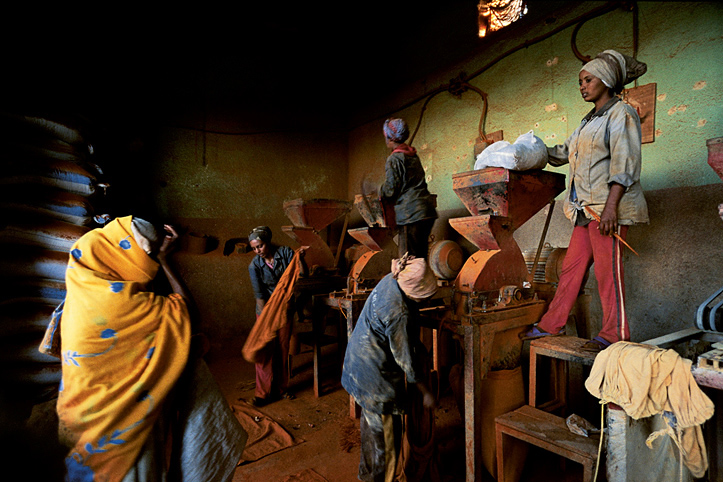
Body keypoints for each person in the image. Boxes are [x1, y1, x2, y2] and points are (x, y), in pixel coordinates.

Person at [47, 216, 246, 482]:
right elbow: (187, 315)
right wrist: (165, 261)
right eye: (147, 254)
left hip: (79, 422)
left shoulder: (78, 299)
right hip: (124, 433)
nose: (148, 261)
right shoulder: (125, 304)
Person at [521, 49, 649, 352]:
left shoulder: (622, 113)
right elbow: (562, 153)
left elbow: (625, 162)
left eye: (587, 80)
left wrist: (610, 209)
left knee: (609, 273)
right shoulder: (587, 121)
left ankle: (614, 334)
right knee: (571, 269)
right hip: (584, 210)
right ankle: (552, 323)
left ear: (606, 80)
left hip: (607, 210)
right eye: (580, 81)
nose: (582, 86)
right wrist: (526, 154)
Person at [341, 255, 438, 482]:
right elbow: (406, 361)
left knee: (371, 433)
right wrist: (426, 393)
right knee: (387, 445)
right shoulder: (398, 312)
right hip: (376, 380)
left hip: (357, 366)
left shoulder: (391, 279)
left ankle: (366, 477)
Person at [247, 226, 300, 406]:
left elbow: (298, 273)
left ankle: (281, 389)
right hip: (265, 311)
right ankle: (262, 393)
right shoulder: (254, 265)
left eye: (260, 246)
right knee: (265, 352)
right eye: (254, 248)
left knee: (282, 349)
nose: (257, 251)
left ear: (267, 242)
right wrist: (264, 322)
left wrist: (302, 257)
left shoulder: (285, 253)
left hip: (284, 308)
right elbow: (259, 295)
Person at [379, 118, 438, 258]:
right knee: (420, 260)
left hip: (410, 215)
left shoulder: (394, 159)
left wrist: (379, 190)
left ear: (389, 138)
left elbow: (391, 190)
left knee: (409, 263)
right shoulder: (413, 155)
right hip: (426, 212)